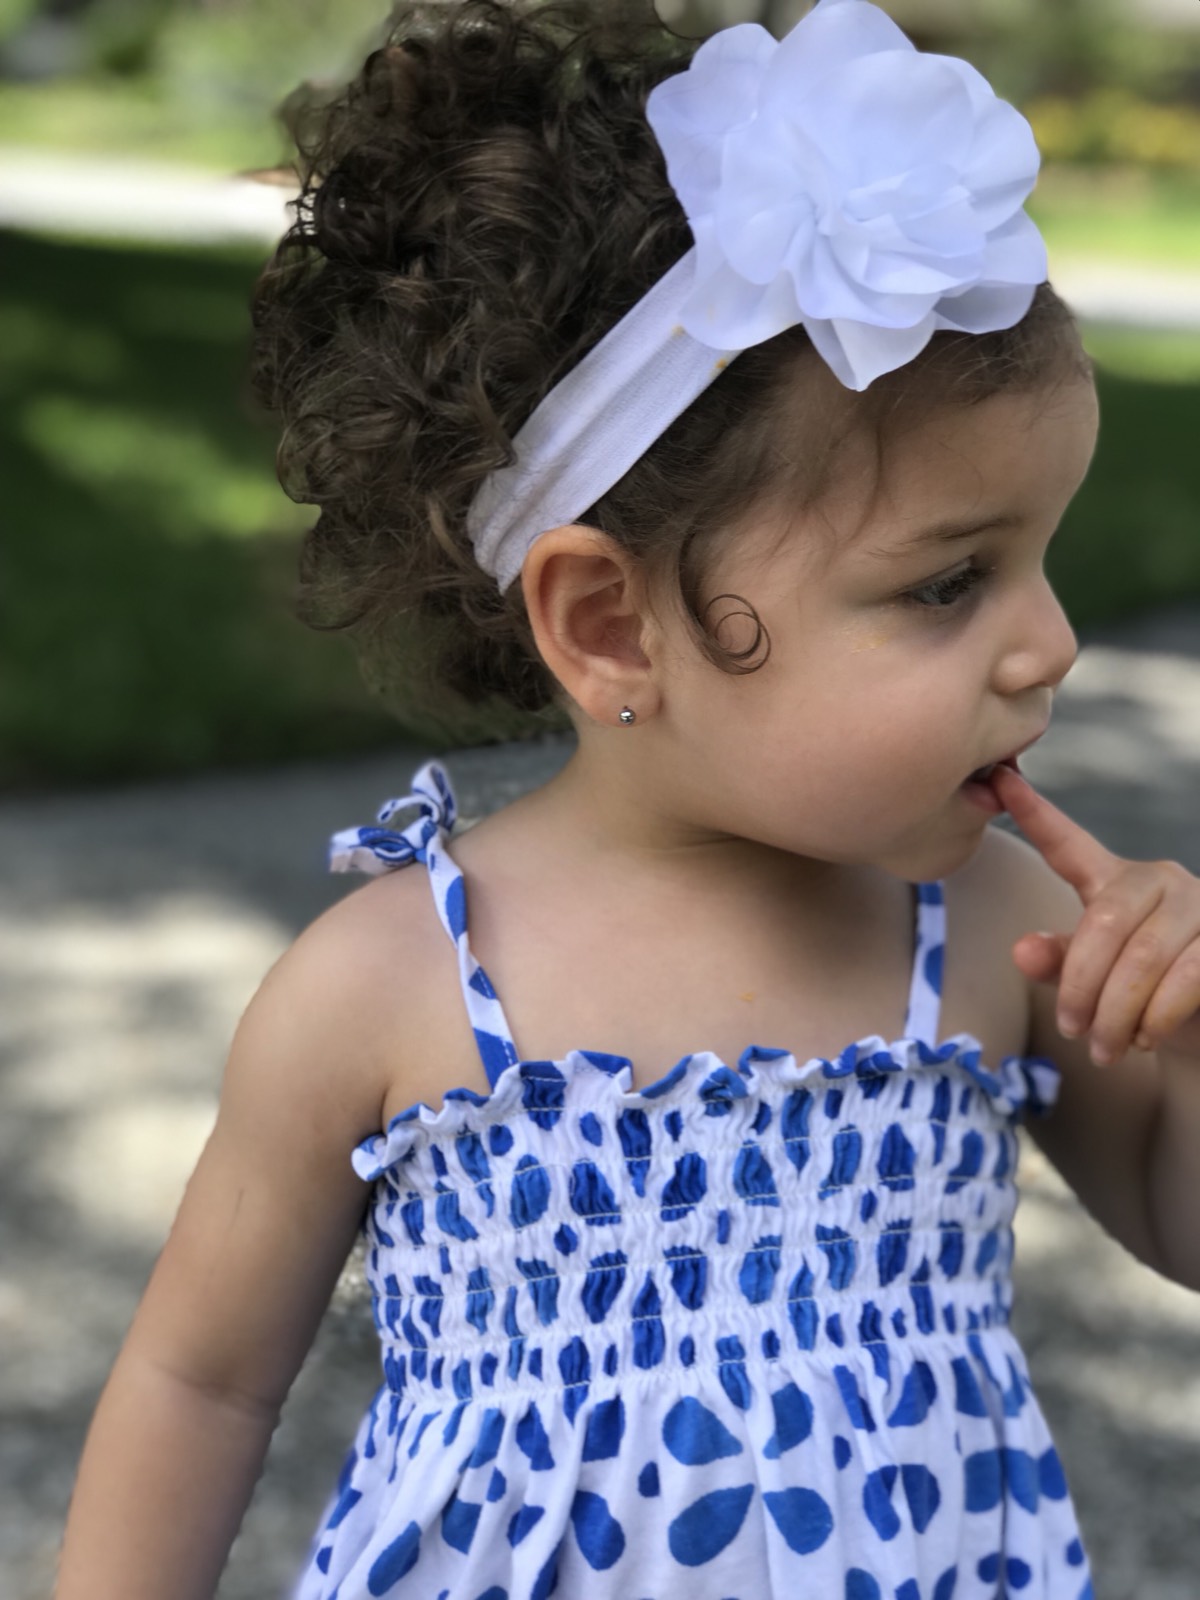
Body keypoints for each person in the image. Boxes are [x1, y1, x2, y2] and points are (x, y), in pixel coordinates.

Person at [55, 0, 1200, 1596]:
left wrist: (1183, 1041)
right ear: (607, 624)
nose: (1055, 642)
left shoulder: (994, 930)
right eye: (949, 583)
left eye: (1039, 560)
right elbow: (201, 1380)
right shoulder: (393, 989)